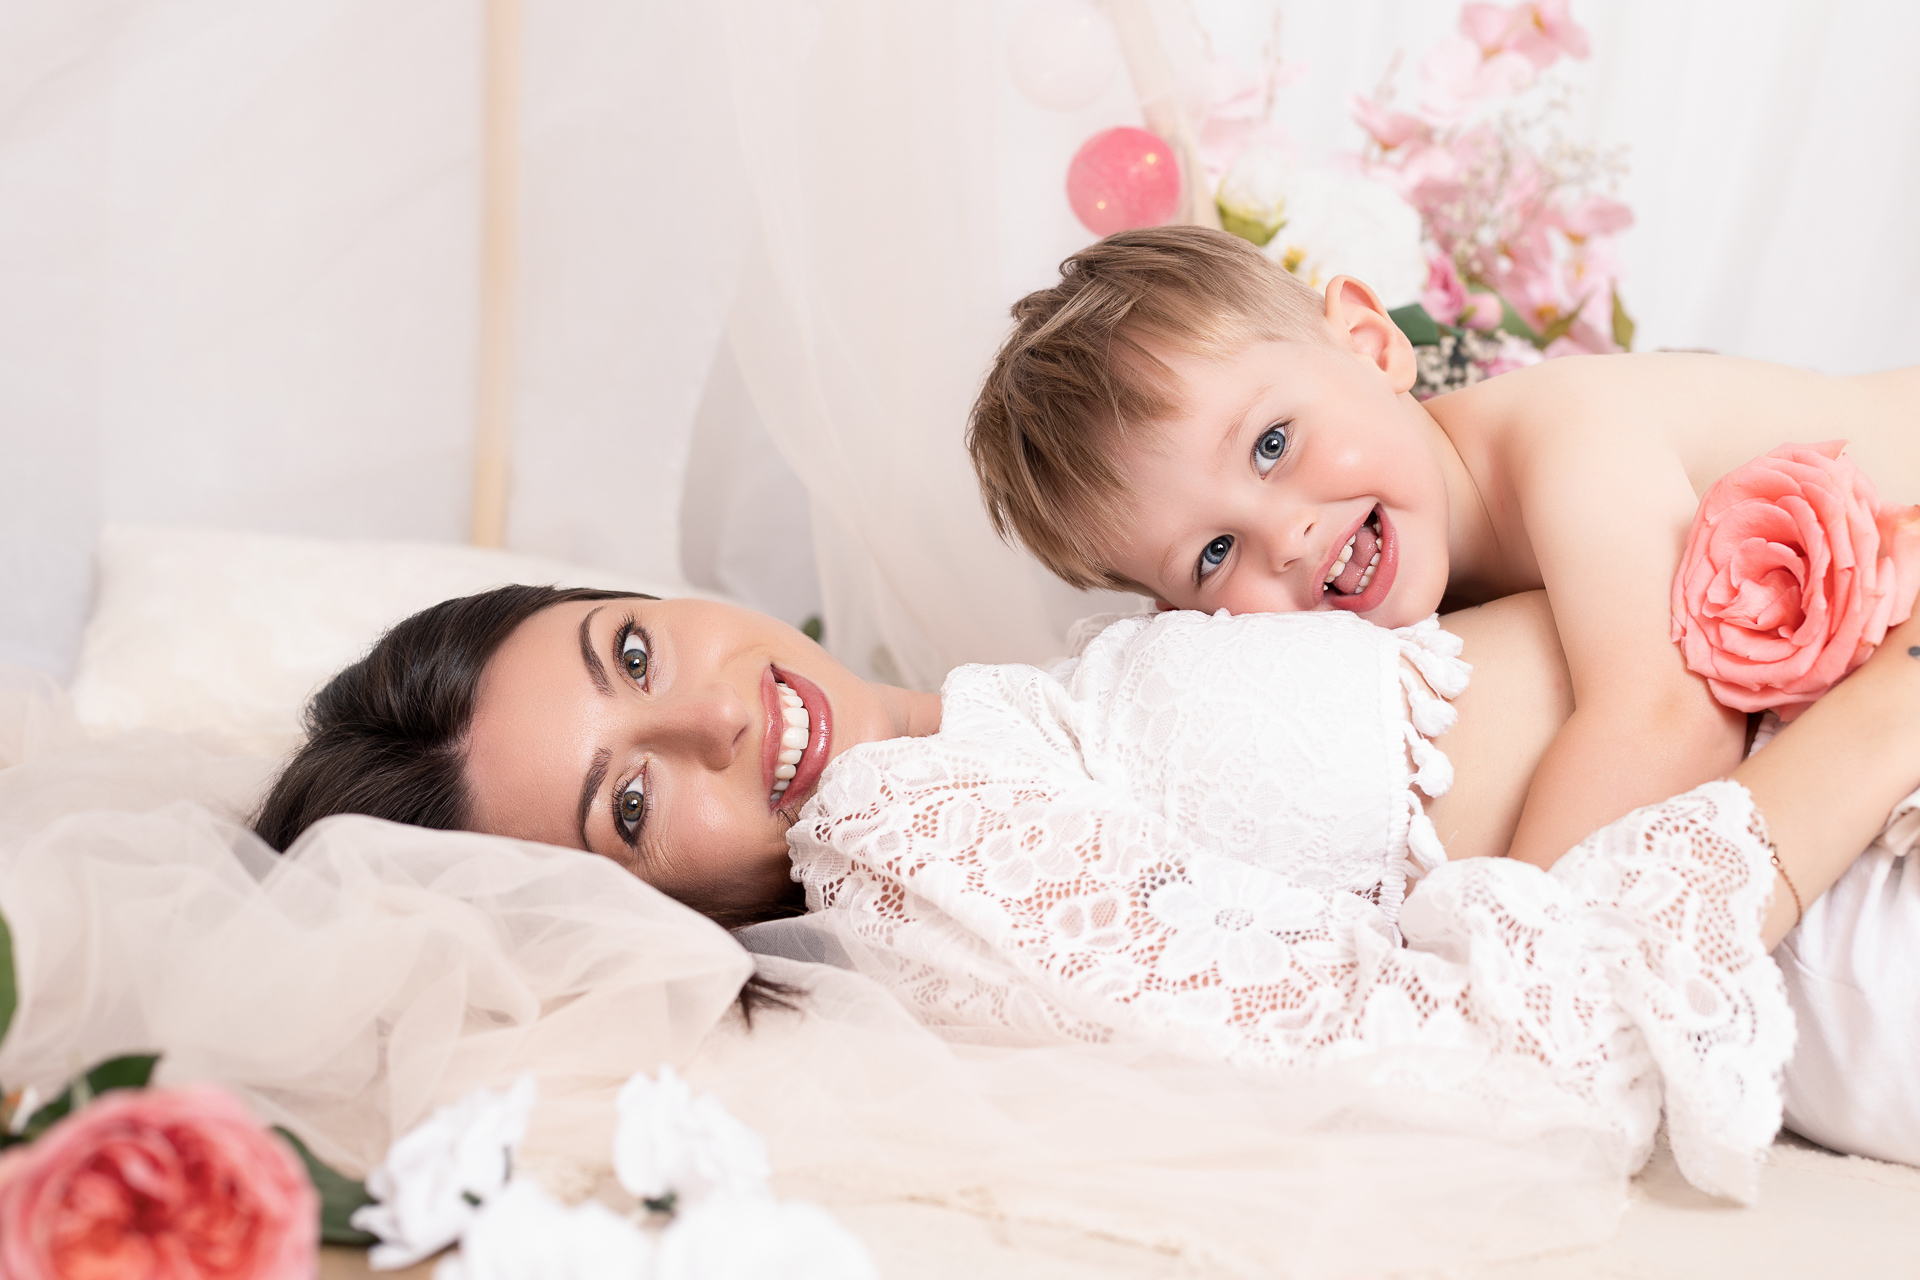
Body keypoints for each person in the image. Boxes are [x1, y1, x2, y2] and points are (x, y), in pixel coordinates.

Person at [255, 577, 1920, 1194]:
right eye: (633, 799)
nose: (714, 711)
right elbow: (1511, 1061)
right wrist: (1867, 725)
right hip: (1829, 912)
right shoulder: (907, 852)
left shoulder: (979, 720)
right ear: (637, 912)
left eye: (633, 647)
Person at [965, 225, 1920, 874]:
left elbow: (1670, 714)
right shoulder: (1417, 610)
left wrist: (1501, 934)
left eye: (1271, 445)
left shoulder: (1564, 437)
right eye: (1214, 555)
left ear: (1372, 345)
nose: (1286, 536)